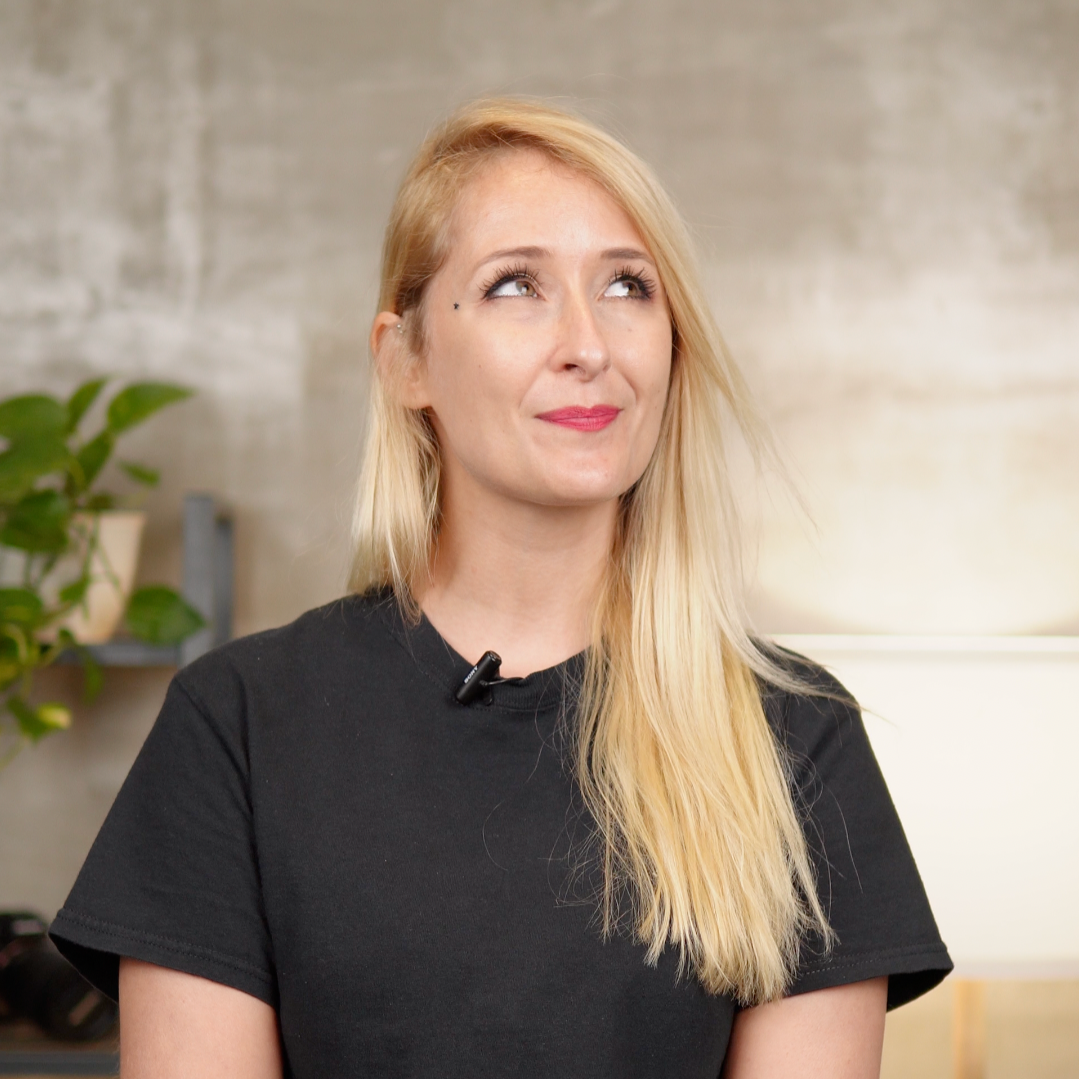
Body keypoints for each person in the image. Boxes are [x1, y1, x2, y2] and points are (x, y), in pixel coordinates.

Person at [50, 99, 951, 1078]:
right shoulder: (238, 726)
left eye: (627, 285)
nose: (587, 344)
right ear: (405, 360)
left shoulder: (795, 739)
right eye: (516, 284)